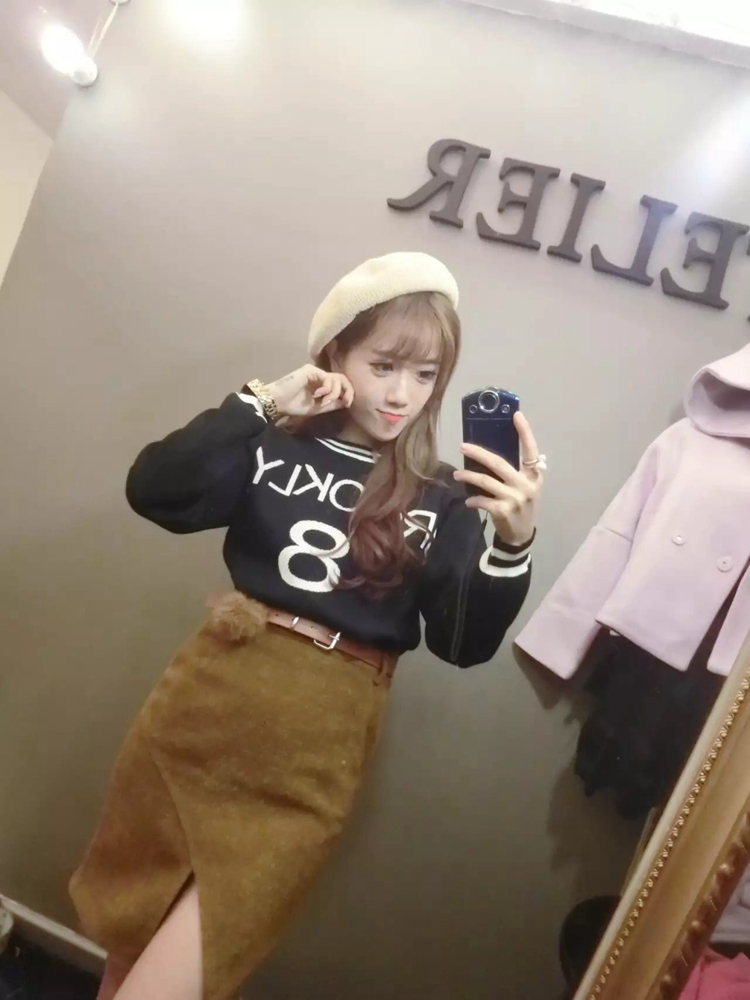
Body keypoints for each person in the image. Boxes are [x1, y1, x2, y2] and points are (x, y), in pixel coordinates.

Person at [69, 252, 544, 1000]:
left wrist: (512, 546)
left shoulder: (442, 497)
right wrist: (262, 402)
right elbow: (154, 491)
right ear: (337, 355)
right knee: (135, 930)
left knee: (198, 953)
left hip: (314, 750)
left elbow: (461, 645)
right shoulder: (271, 443)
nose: (403, 394)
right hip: (201, 710)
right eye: (384, 365)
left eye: (426, 375)